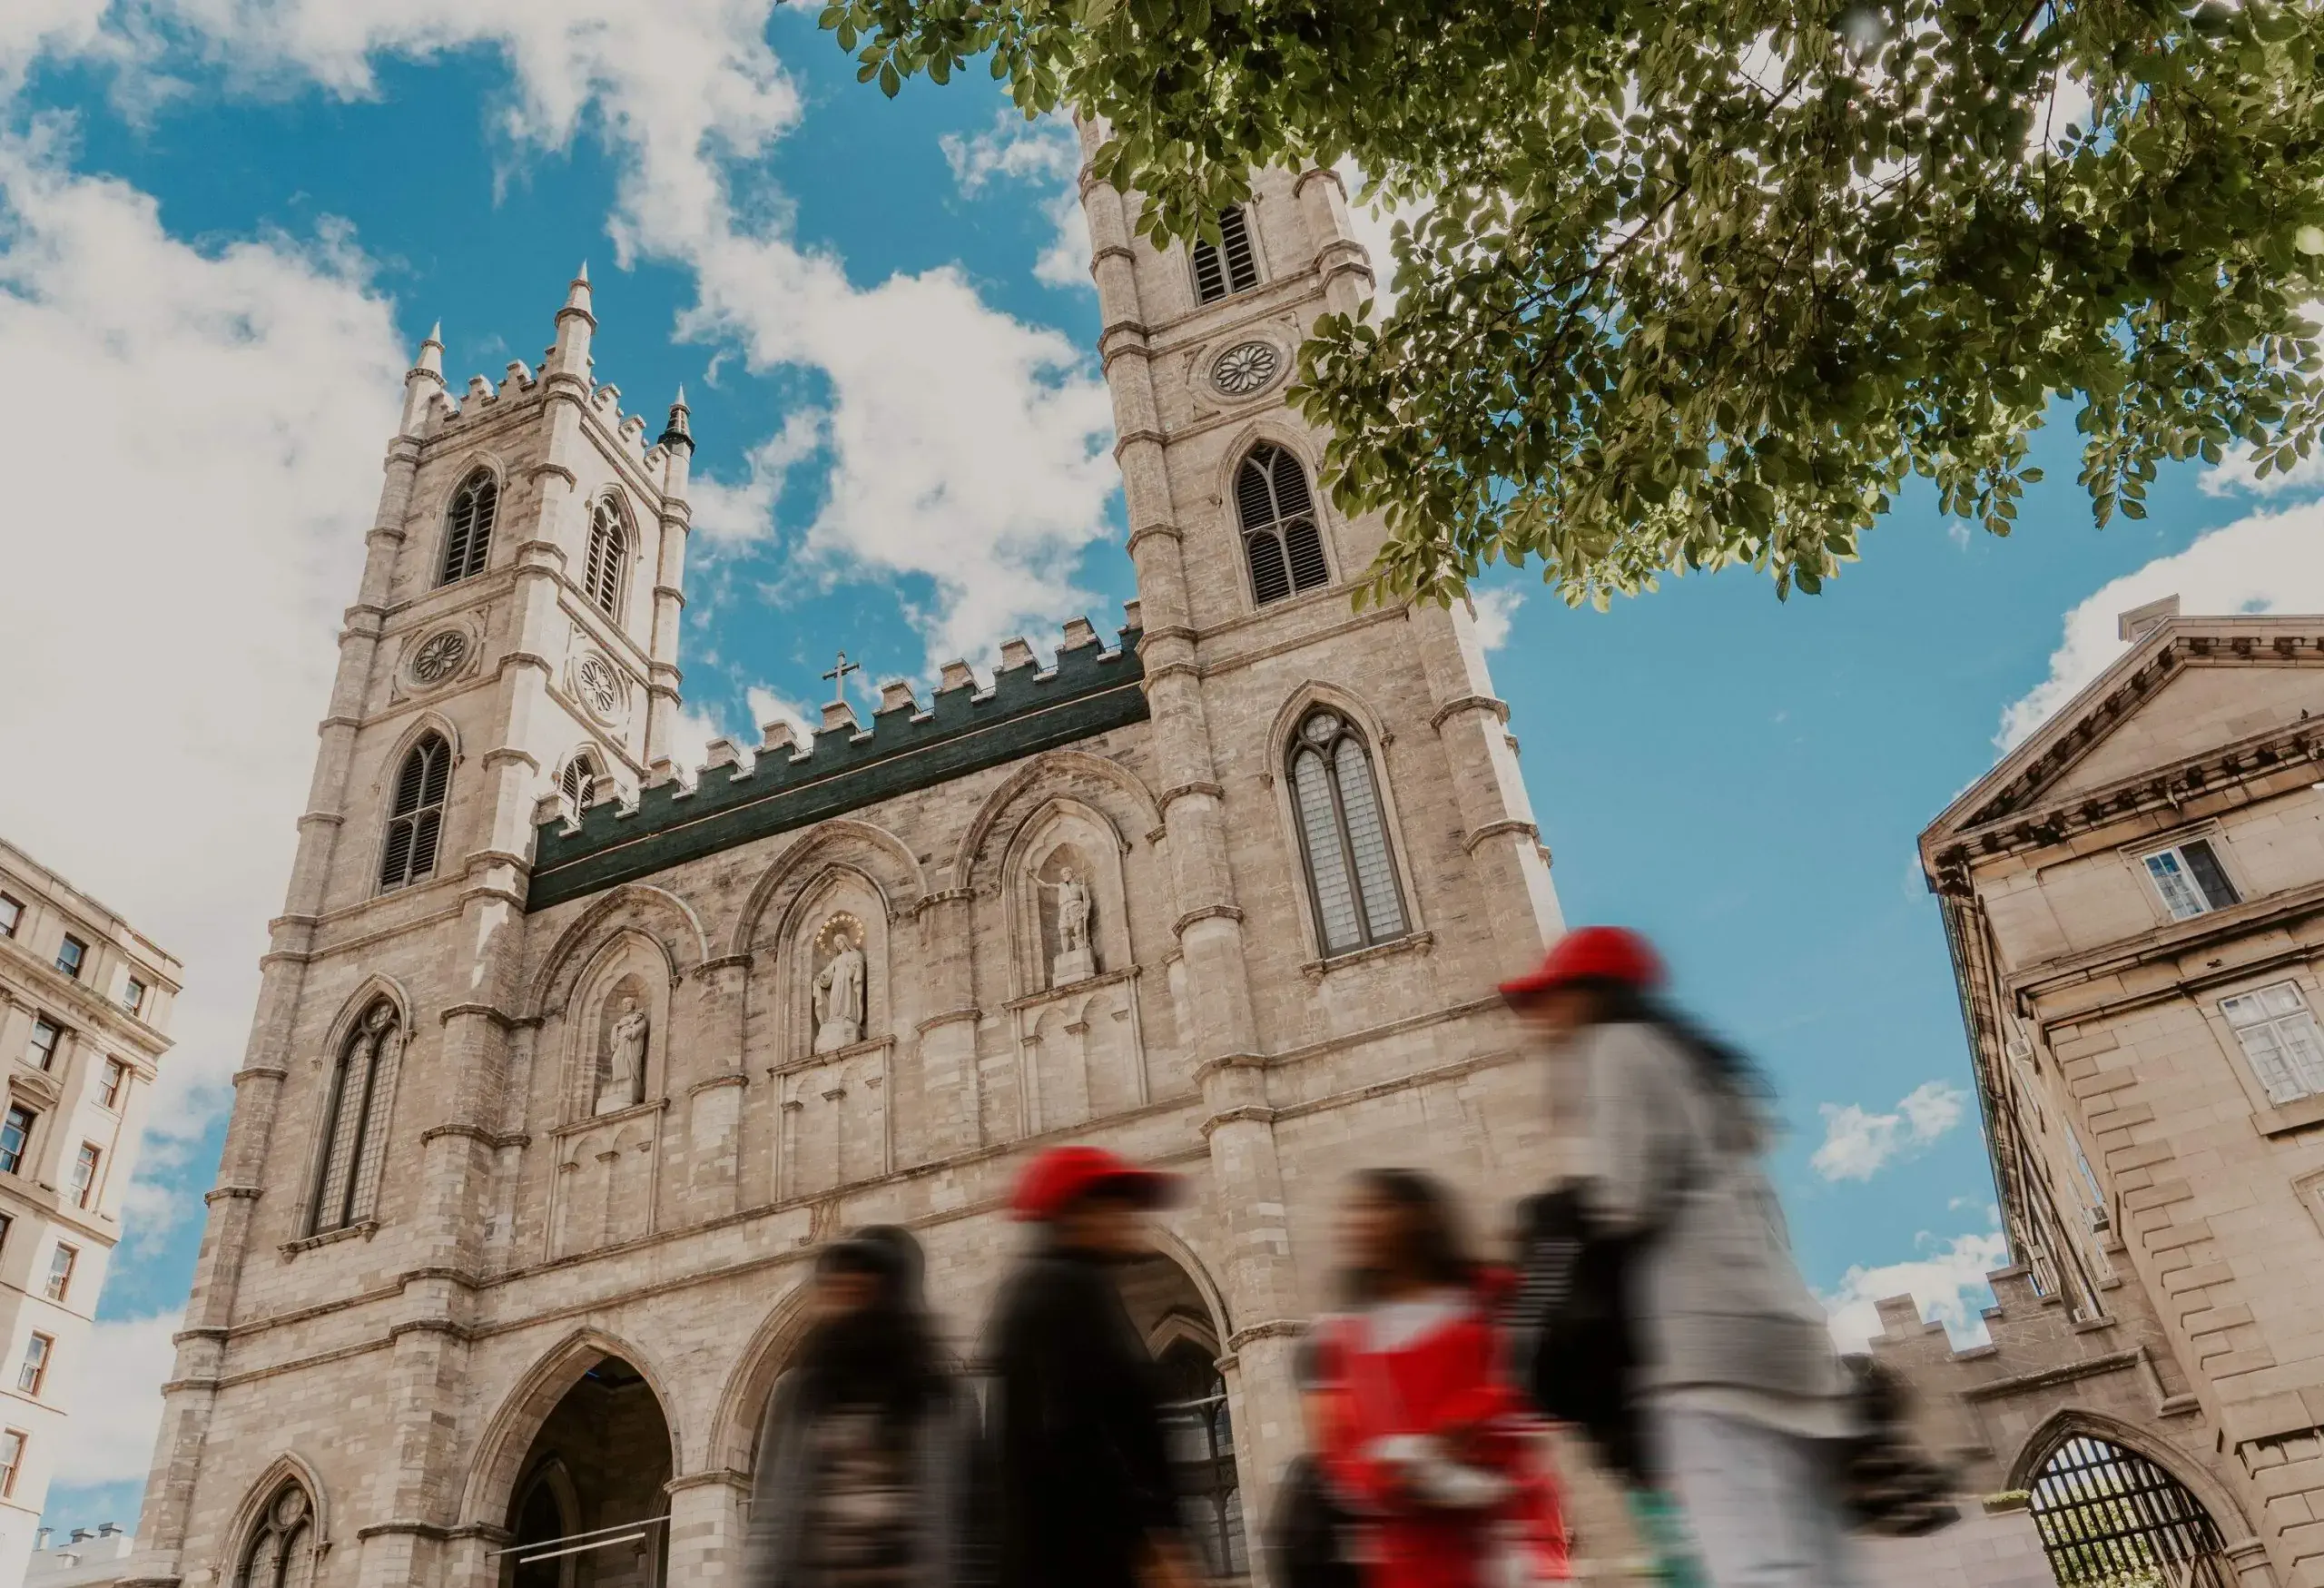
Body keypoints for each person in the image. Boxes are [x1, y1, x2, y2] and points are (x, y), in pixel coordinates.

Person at [1502, 927, 1861, 1588]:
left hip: (1706, 1349)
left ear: (1589, 995)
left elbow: (1624, 1198)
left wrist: (1555, 1224)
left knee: (1752, 1566)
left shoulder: (1615, 1048)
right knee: (1819, 1567)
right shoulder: (1710, 1079)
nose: (1541, 1018)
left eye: (1552, 998)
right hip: (1791, 1346)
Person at [1313, 1169, 1570, 1588]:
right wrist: (1389, 1475)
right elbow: (1340, 1452)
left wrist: (1465, 1424)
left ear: (1423, 1216)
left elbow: (1537, 1381)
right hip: (1414, 1553)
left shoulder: (1489, 1295)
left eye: (1377, 1207)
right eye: (1353, 1211)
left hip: (1510, 1538)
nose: (1359, 1222)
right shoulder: (1348, 1338)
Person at [988, 1145, 1197, 1588]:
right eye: (1121, 1204)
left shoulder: (1066, 1285)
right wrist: (1146, 1542)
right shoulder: (1062, 1289)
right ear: (1082, 1212)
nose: (1132, 1218)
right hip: (1084, 1558)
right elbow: (1075, 1430)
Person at [743, 1226, 978, 1588]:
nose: (847, 1304)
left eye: (861, 1289)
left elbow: (970, 1515)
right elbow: (770, 1517)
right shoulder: (798, 1394)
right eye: (837, 1289)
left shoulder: (943, 1394)